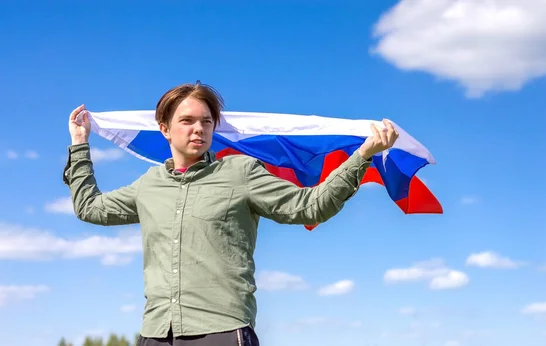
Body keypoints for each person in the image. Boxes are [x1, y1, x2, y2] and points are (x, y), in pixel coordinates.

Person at [63, 82, 399, 346]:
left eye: (206, 122)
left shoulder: (240, 173)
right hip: (155, 333)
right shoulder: (149, 185)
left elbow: (309, 207)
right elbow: (89, 208)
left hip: (221, 330)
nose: (198, 129)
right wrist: (80, 145)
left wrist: (363, 155)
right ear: (164, 128)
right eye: (187, 121)